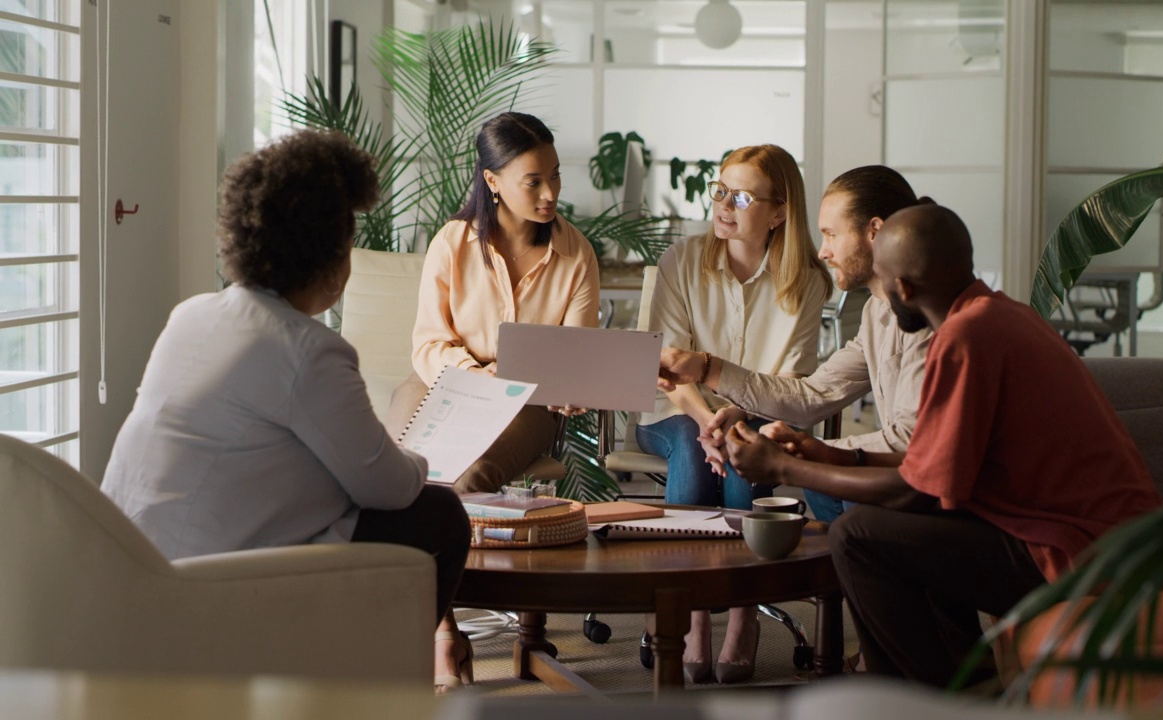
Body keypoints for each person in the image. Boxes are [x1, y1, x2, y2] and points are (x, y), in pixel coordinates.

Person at [720, 204, 1163, 688]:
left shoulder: (965, 338)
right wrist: (827, 454)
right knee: (903, 525)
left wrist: (784, 469)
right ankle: (960, 678)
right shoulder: (998, 315)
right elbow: (938, 462)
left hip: (1079, 555)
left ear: (904, 289)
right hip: (1105, 540)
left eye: (884, 286)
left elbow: (920, 491)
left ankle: (926, 699)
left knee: (858, 535)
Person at [100, 130, 472, 692]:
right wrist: (420, 457)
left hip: (129, 572)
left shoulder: (194, 315)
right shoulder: (307, 349)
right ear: (330, 254)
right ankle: (377, 693)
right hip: (213, 593)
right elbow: (389, 488)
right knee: (440, 514)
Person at [639, 144, 832, 685]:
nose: (723, 205)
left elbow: (789, 384)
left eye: (741, 196)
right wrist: (708, 423)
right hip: (675, 413)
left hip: (763, 413)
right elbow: (666, 372)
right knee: (694, 452)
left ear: (778, 213)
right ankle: (693, 621)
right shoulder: (679, 261)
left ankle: (742, 618)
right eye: (719, 190)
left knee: (750, 447)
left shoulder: (806, 281)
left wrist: (733, 424)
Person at [657, 166, 934, 524]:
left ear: (874, 233)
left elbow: (911, 444)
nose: (823, 252)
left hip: (930, 487)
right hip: (904, 472)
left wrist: (816, 453)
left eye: (831, 235)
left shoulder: (926, 318)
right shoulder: (875, 311)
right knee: (820, 480)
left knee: (837, 491)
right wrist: (705, 368)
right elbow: (813, 396)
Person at [387, 111, 600, 493]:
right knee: (400, 469)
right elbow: (430, 343)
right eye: (533, 182)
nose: (550, 193)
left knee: (472, 475)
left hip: (528, 397)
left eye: (555, 175)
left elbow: (576, 354)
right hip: (441, 381)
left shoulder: (577, 255)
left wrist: (571, 387)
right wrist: (475, 376)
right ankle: (399, 554)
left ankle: (460, 554)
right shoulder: (451, 243)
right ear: (492, 180)